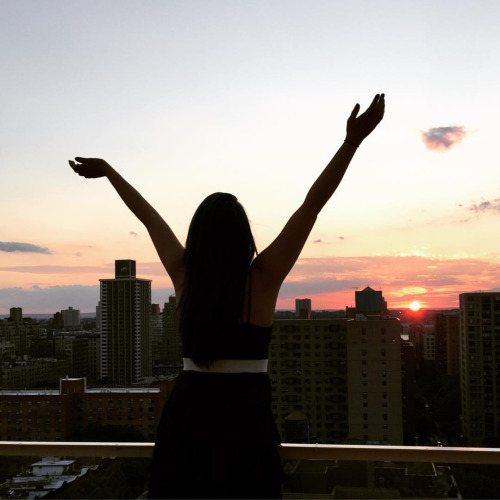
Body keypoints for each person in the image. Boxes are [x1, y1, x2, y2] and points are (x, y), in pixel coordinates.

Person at [69, 93, 385, 498]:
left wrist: (110, 172)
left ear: (197, 235)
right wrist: (352, 142)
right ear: (243, 237)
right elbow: (312, 206)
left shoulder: (185, 276)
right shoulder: (263, 279)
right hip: (247, 427)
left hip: (186, 423)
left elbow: (148, 217)